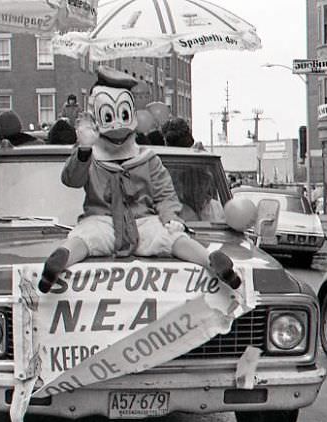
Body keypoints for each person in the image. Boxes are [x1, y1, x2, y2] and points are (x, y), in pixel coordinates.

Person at [38, 67, 241, 294]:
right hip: (104, 220)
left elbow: (165, 194)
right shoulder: (90, 157)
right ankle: (61, 259)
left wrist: (170, 217)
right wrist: (84, 148)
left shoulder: (147, 158)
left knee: (170, 235)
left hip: (143, 222)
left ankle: (210, 259)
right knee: (86, 237)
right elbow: (72, 180)